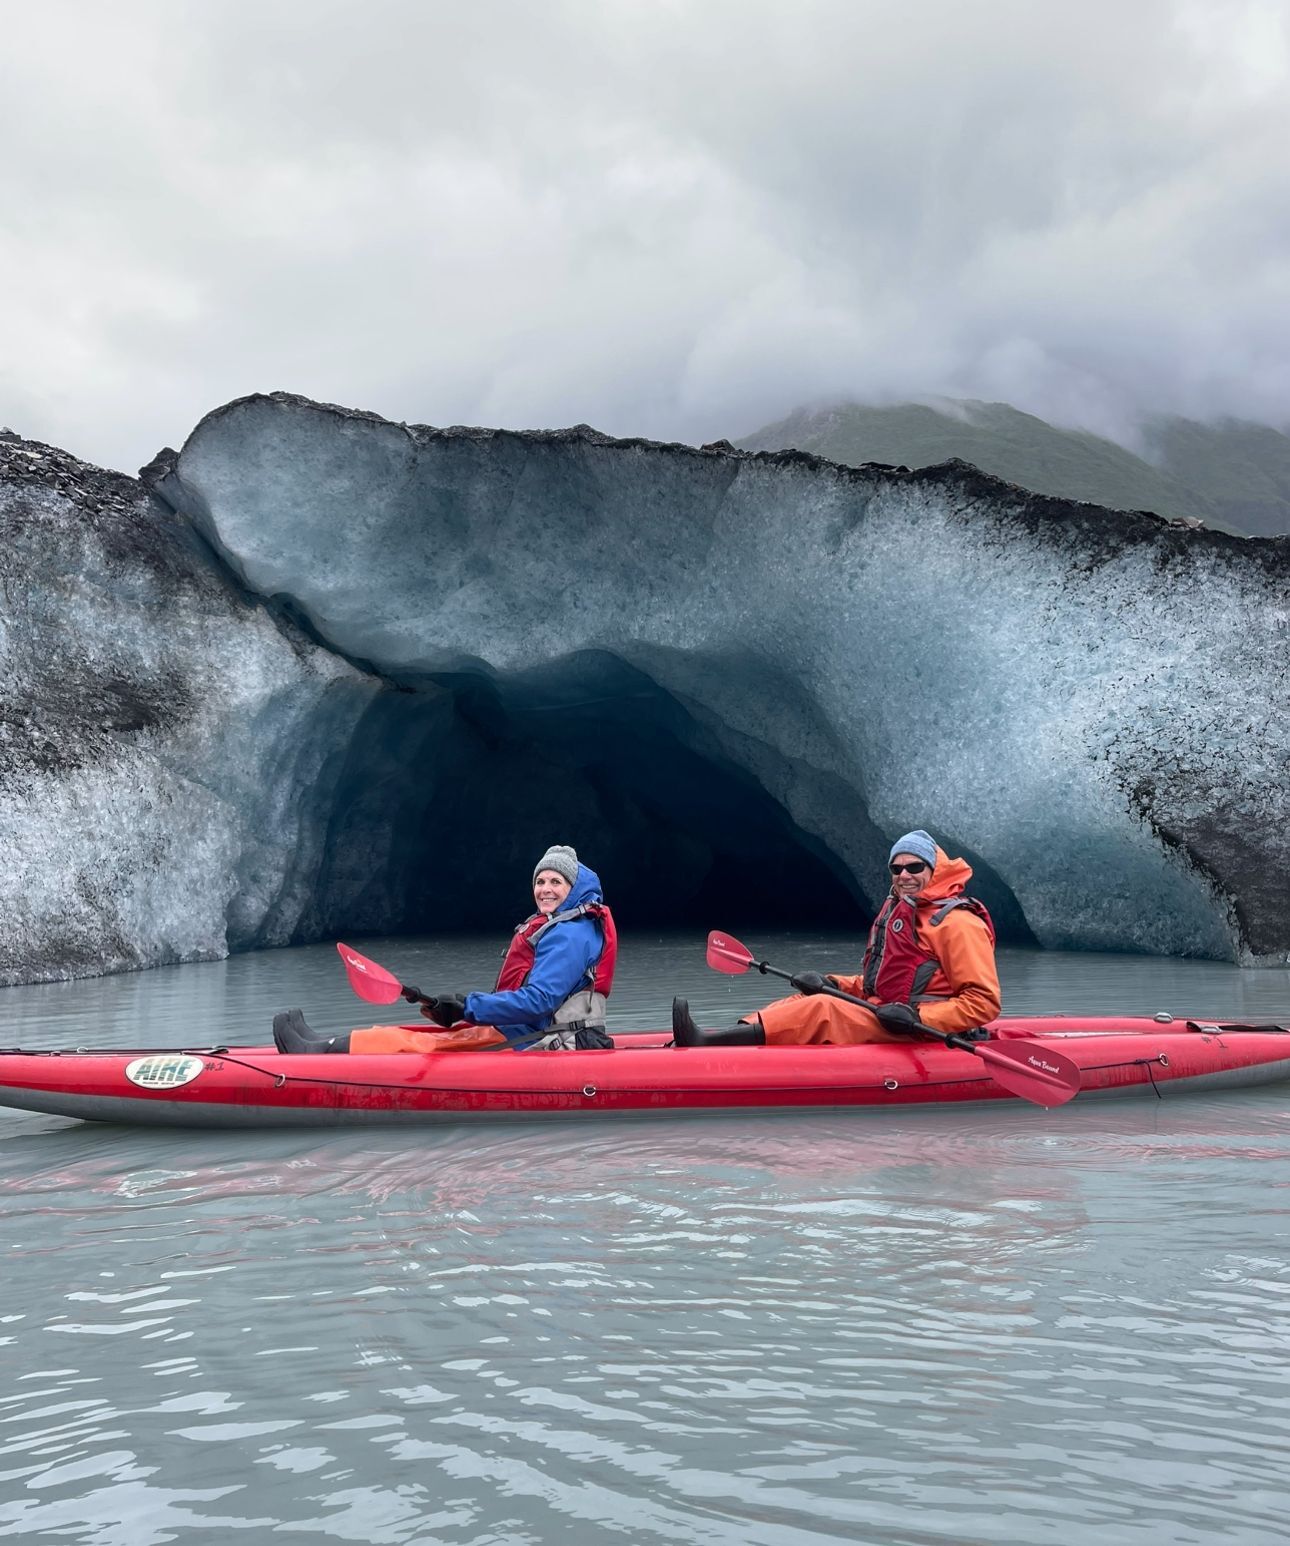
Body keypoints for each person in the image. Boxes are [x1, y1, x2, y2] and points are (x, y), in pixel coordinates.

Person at [274, 844, 617, 1054]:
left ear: (573, 890)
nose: (545, 889)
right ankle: (328, 1044)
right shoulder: (568, 926)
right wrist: (460, 1009)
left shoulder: (570, 934)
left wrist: (469, 1006)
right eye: (540, 881)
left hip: (544, 1041)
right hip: (533, 1030)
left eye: (556, 882)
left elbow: (540, 1001)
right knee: (430, 1034)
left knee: (420, 1046)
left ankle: (319, 1052)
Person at [672, 830, 1001, 1047]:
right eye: (896, 868)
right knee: (807, 1000)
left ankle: (707, 1045)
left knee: (823, 1010)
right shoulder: (903, 914)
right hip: (890, 1014)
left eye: (915, 867)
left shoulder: (957, 923)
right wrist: (834, 983)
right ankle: (729, 1040)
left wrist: (919, 1018)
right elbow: (882, 984)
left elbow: (983, 1002)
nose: (904, 875)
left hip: (925, 1029)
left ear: (933, 871)